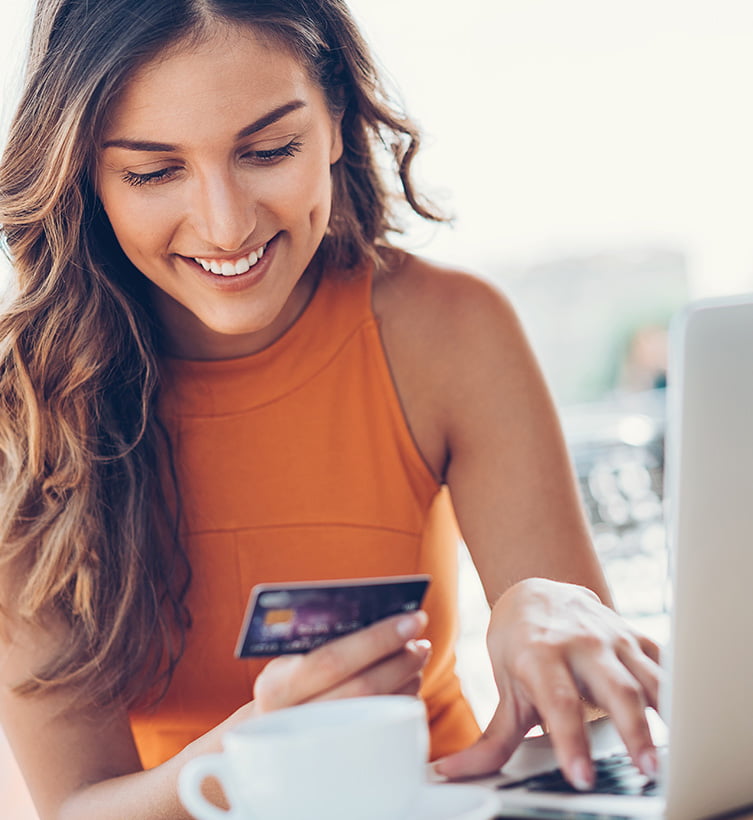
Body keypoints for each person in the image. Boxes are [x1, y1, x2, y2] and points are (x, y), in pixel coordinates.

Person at [0, 1, 661, 817]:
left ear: (338, 122)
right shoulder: (26, 409)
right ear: (84, 176)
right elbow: (75, 808)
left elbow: (596, 714)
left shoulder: (446, 330)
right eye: (151, 172)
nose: (225, 223)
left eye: (270, 150)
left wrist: (544, 606)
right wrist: (257, 750)